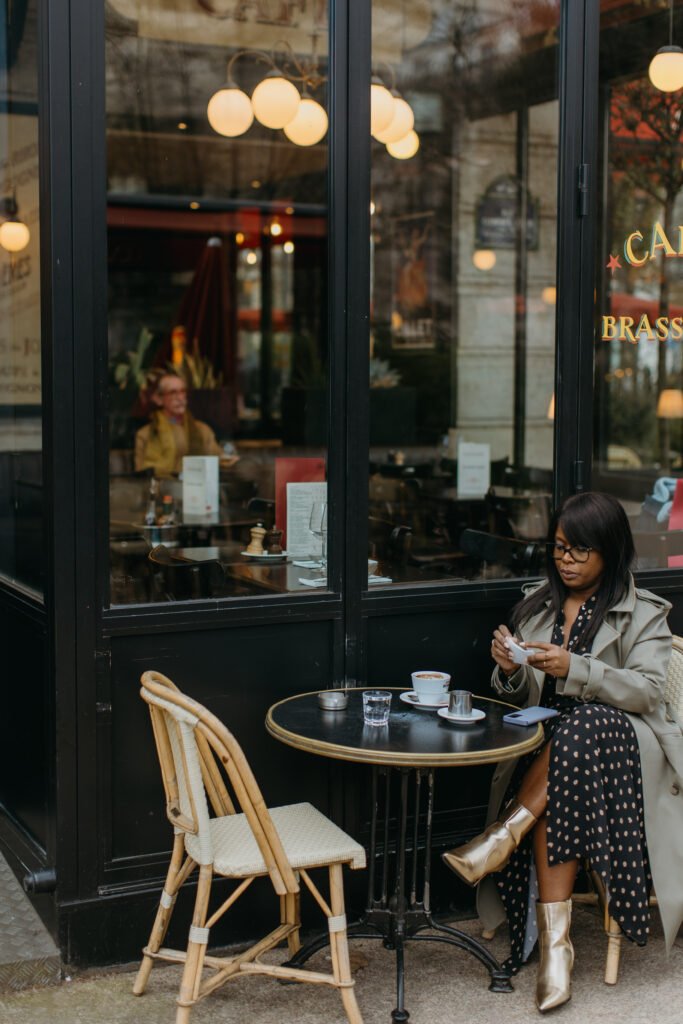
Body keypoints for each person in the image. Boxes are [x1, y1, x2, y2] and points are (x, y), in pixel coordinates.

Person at [442, 492, 683, 1012]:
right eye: (558, 548)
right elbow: (515, 696)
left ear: (610, 551)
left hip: (623, 756)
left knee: (584, 724)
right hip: (551, 759)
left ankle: (502, 837)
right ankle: (557, 947)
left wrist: (575, 668)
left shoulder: (644, 615)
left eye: (579, 551)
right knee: (566, 762)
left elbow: (646, 692)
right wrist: (508, 670)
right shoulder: (537, 605)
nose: (565, 560)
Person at [135, 372, 238, 478]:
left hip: (198, 488)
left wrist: (229, 460)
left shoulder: (202, 430)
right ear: (159, 399)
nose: (180, 398)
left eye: (183, 391)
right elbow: (143, 472)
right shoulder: (146, 434)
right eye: (173, 392)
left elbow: (218, 458)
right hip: (163, 490)